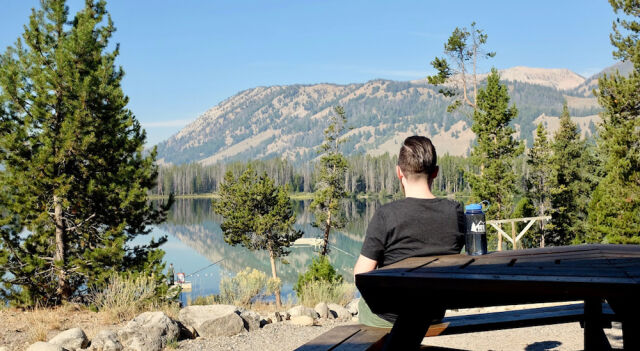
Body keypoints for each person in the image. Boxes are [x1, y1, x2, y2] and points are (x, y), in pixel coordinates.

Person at [353, 135, 465, 328]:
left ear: (399, 172)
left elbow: (361, 276)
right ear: (435, 172)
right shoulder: (455, 213)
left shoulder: (386, 215)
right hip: (433, 313)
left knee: (364, 305)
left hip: (390, 317)